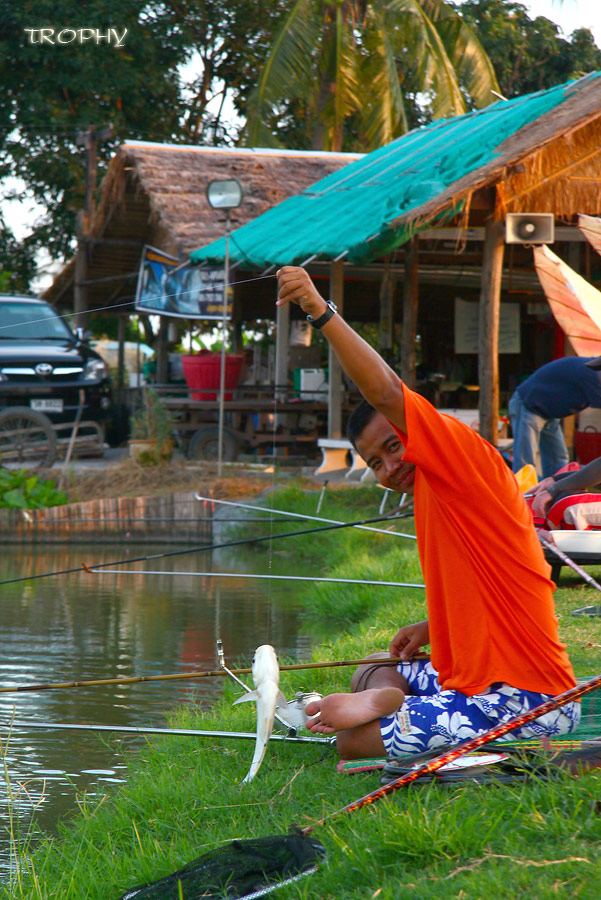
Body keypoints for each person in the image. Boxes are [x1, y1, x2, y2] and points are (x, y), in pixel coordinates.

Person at [277, 266, 579, 761]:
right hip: (466, 677)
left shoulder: (462, 458)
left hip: (530, 698)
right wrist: (432, 630)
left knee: (351, 743)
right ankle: (382, 698)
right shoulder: (437, 493)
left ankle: (380, 712)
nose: (390, 466)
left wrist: (319, 309)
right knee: (375, 665)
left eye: (395, 447)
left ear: (418, 433)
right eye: (375, 462)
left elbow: (386, 392)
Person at [508, 357, 601, 479]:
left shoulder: (592, 371)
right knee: (525, 461)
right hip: (529, 404)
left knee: (558, 459)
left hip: (549, 413)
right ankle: (522, 496)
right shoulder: (592, 374)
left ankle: (555, 493)